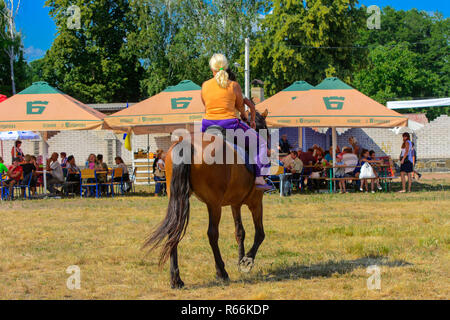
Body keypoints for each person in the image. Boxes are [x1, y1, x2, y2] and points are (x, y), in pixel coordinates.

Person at [201, 53, 270, 190]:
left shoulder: (204, 86)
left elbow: (206, 105)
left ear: (212, 69)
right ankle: (259, 177)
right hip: (229, 126)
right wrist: (246, 118)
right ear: (226, 67)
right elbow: (240, 108)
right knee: (261, 143)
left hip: (207, 126)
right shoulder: (234, 86)